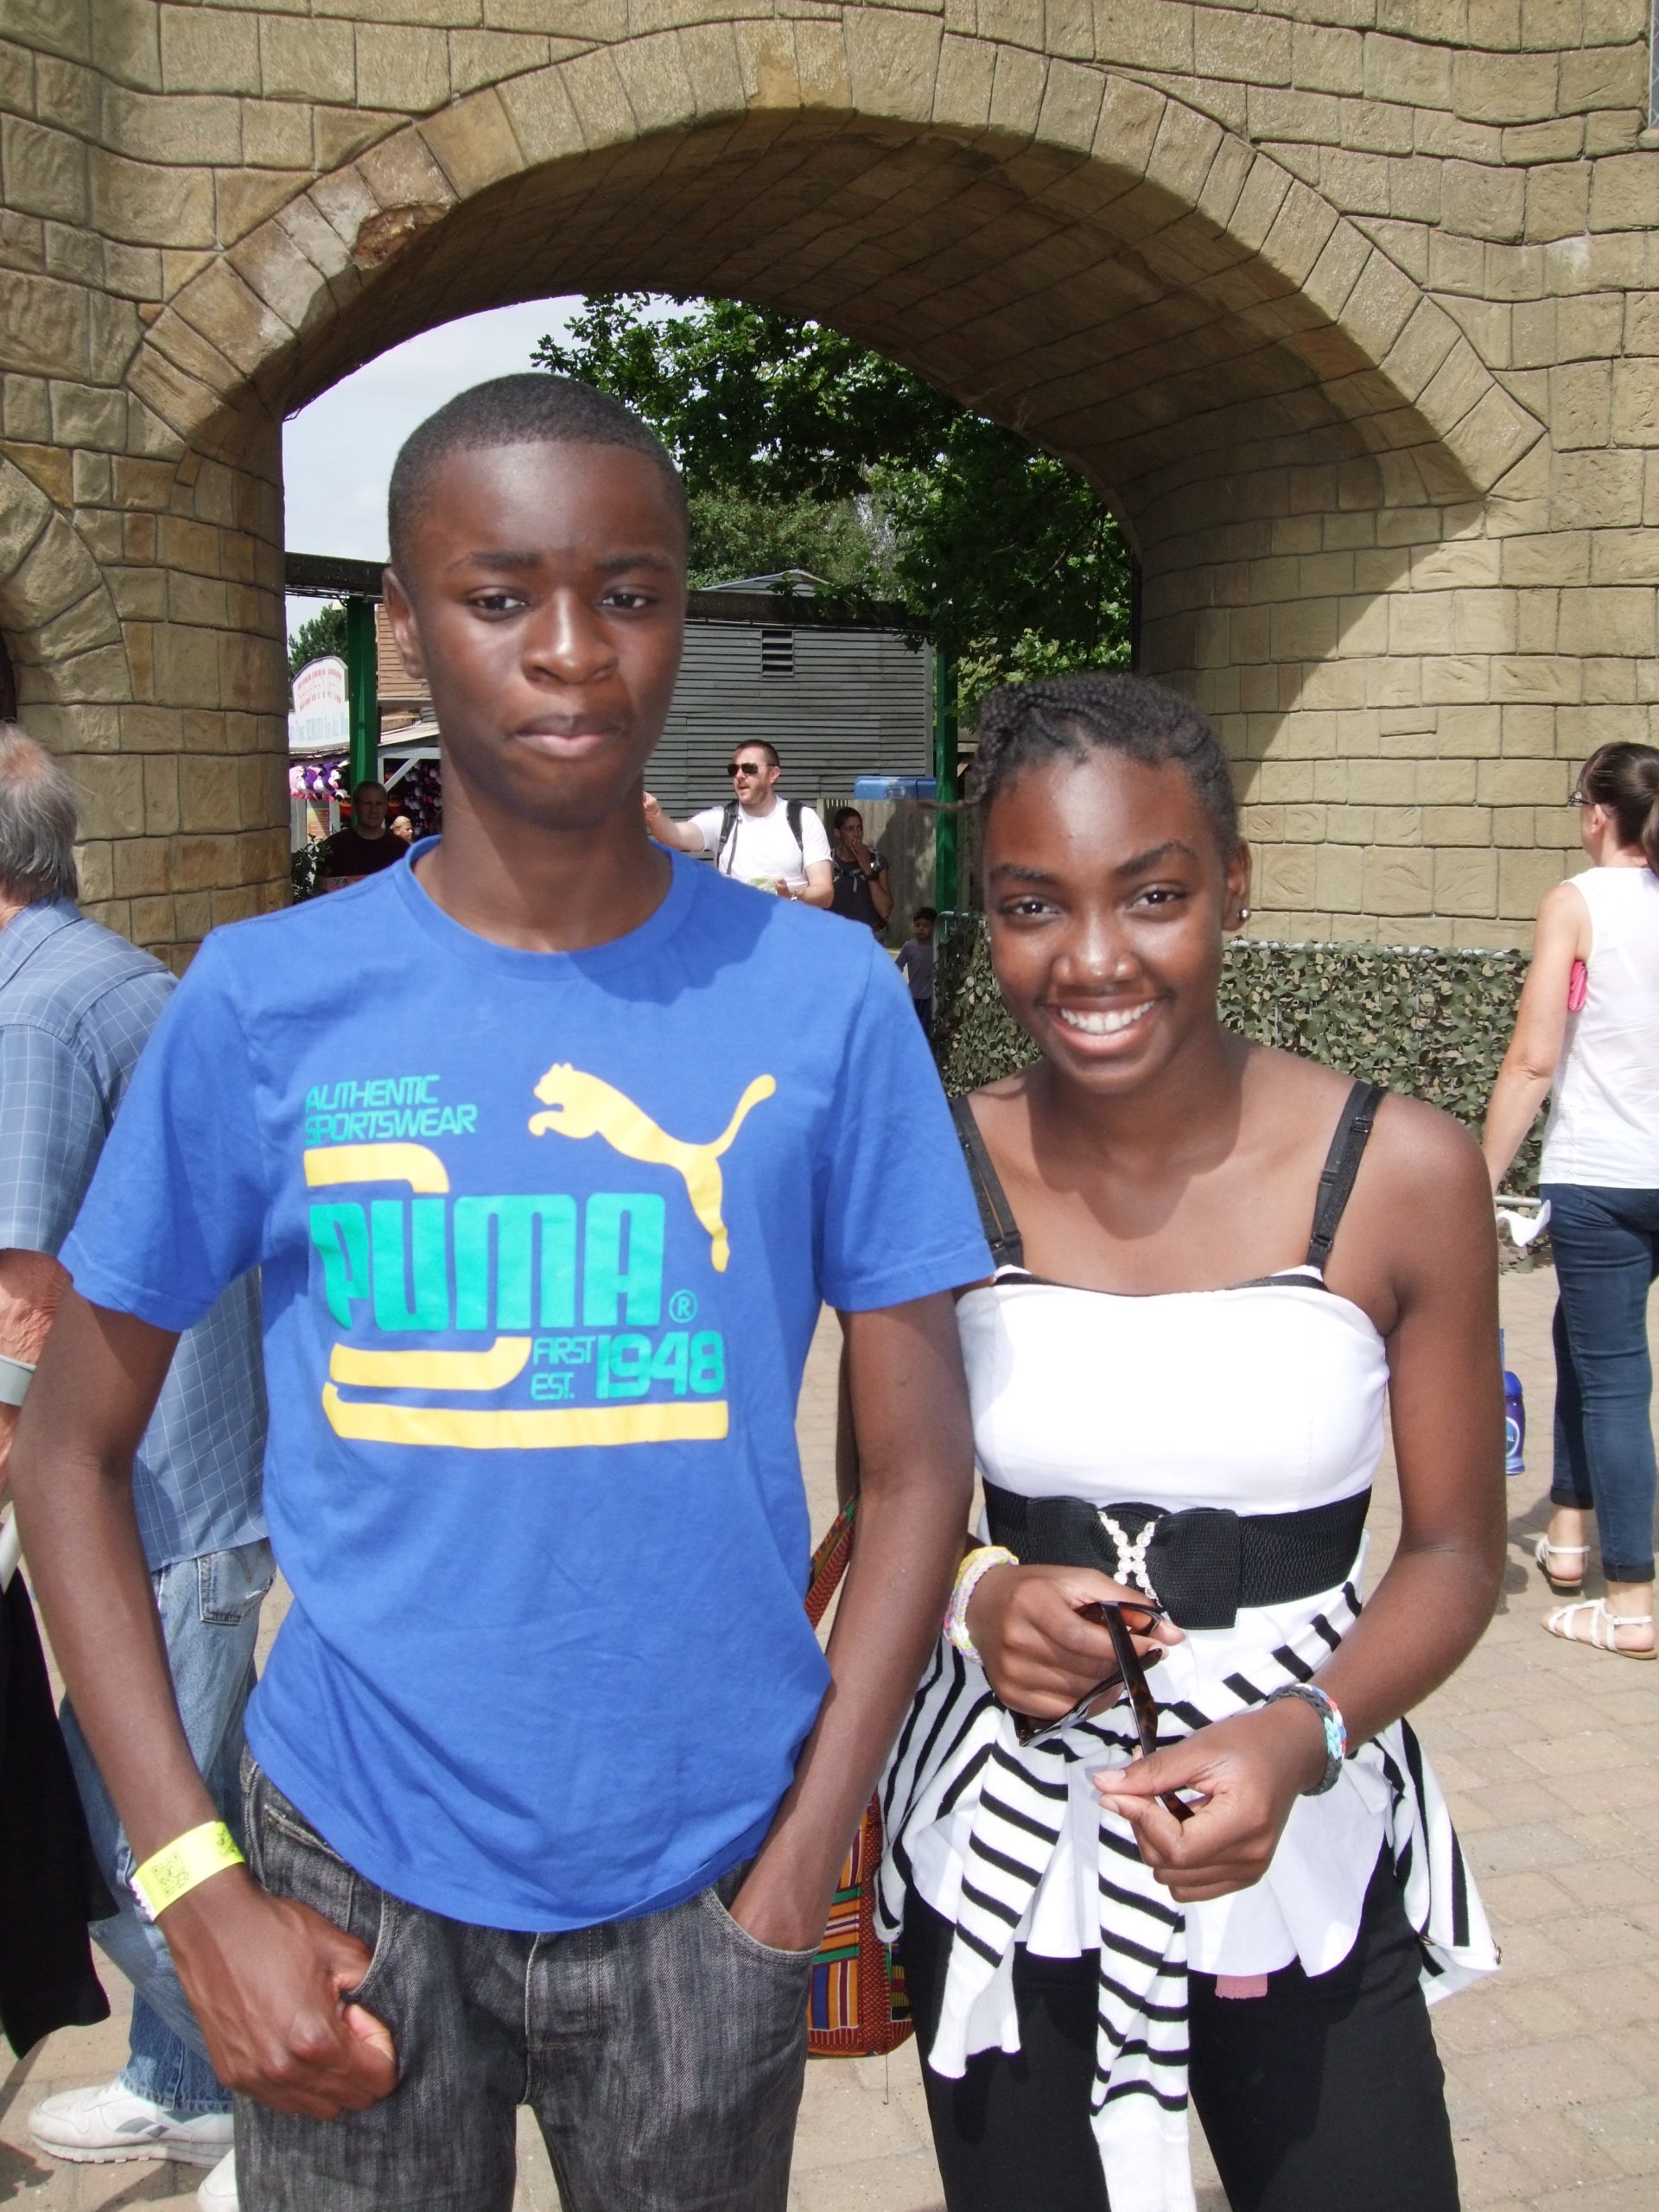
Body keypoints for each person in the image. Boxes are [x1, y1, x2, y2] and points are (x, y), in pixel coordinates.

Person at [9, 374, 989, 2212]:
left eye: (628, 591)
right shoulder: (259, 997)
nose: (569, 650)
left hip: (712, 1874)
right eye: (498, 593)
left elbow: (922, 1466)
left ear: (682, 615)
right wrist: (191, 1881)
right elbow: (67, 1452)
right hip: (343, 1877)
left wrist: (805, 1858)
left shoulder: (827, 999)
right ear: (399, 619)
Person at [862, 673, 1503, 2212]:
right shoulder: (933, 1167)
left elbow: (1456, 1552)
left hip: (1304, 1830)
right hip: (1018, 1855)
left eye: (1150, 895)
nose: (1093, 959)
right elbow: (890, 1498)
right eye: (1031, 906)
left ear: (1231, 885)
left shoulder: (1402, 1169)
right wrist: (980, 1599)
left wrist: (1304, 1733)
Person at [0, 728, 270, 2206]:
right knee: (188, 1807)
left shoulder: (33, 1019)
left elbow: (20, 1306)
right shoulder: (118, 977)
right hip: (193, 1489)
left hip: (149, 1507)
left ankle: (294, 2091)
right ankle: (181, 2083)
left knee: (127, 1843)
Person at [1481, 741, 1659, 1660]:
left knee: (1618, 1378)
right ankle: (1569, 1534)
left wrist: (1475, 1179)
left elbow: (1536, 1057)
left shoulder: (1576, 902)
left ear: (1597, 812)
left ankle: (1631, 1604)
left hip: (1604, 1177)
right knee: (1578, 1341)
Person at [645, 743, 833, 906]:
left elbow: (825, 893)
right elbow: (674, 835)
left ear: (773, 774)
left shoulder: (803, 819)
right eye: (734, 770)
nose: (740, 776)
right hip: (738, 938)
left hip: (788, 938)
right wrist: (654, 813)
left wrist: (791, 894)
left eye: (749, 769)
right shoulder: (721, 819)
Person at [318, 781, 401, 889]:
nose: (373, 810)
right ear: (355, 807)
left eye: (379, 803)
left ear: (386, 807)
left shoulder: (401, 849)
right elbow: (319, 889)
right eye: (367, 803)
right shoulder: (333, 846)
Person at [827, 807, 892, 934]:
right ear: (838, 833)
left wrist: (867, 869)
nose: (856, 834)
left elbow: (885, 910)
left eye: (859, 828)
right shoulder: (827, 861)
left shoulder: (877, 860)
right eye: (850, 829)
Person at [896, 906, 936, 1035]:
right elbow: (897, 967)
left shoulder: (937, 948)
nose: (921, 929)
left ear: (934, 928)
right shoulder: (909, 947)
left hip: (930, 997)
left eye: (926, 925)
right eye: (918, 925)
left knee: (925, 1029)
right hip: (912, 995)